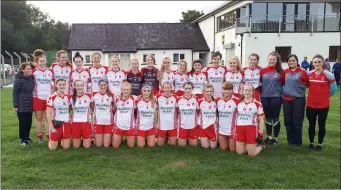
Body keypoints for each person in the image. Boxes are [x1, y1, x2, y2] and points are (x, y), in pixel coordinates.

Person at [306, 54, 337, 151]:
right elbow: (306, 86)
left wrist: (324, 96)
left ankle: (320, 143)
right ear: (312, 63)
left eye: (319, 62)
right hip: (311, 104)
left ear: (323, 63)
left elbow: (334, 89)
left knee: (321, 124)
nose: (317, 64)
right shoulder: (309, 74)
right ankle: (311, 142)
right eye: (315, 62)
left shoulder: (328, 74)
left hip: (323, 105)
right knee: (311, 124)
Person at [281, 54, 309, 147]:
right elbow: (283, 82)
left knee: (297, 121)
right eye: (289, 61)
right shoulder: (285, 71)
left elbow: (308, 84)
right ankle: (290, 140)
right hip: (286, 99)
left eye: (293, 60)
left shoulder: (303, 72)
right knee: (288, 121)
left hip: (298, 99)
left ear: (297, 61)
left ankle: (298, 141)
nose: (291, 62)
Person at [235, 84, 265, 157]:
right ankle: (250, 146)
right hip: (239, 128)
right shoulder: (238, 102)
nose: (247, 92)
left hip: (251, 128)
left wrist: (260, 133)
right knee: (240, 152)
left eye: (249, 90)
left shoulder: (257, 104)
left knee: (251, 154)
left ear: (252, 92)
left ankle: (261, 146)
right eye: (245, 90)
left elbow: (261, 120)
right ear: (243, 91)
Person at [260, 51, 283, 145]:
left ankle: (276, 138)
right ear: (267, 60)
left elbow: (284, 83)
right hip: (264, 97)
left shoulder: (281, 71)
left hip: (276, 97)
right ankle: (269, 136)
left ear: (277, 60)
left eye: (274, 59)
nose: (272, 61)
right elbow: (260, 83)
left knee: (275, 117)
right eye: (270, 59)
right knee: (268, 117)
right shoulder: (263, 71)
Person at [13, 62, 35, 146]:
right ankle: (23, 139)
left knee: (29, 122)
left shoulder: (31, 78)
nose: (29, 70)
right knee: (23, 122)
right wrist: (15, 105)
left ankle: (27, 137)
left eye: (30, 69)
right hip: (21, 104)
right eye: (27, 69)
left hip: (30, 103)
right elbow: (15, 93)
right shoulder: (19, 79)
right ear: (23, 70)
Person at [32, 55, 54, 142]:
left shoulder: (50, 71)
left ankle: (49, 135)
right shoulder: (34, 72)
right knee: (39, 117)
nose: (42, 63)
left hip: (48, 98)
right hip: (38, 97)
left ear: (46, 61)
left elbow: (55, 82)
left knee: (48, 117)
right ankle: (40, 136)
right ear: (37, 63)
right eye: (40, 61)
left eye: (43, 61)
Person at [46, 79, 71, 150]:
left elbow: (71, 107)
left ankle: (62, 139)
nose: (62, 86)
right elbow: (48, 113)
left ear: (65, 85)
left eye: (63, 84)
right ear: (56, 85)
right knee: (52, 149)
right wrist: (51, 127)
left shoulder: (68, 97)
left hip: (66, 123)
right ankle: (54, 139)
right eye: (60, 85)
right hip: (56, 123)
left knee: (66, 147)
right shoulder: (52, 97)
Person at [90, 79, 115, 147]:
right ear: (98, 86)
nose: (103, 86)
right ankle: (95, 138)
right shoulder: (94, 94)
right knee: (98, 145)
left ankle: (110, 138)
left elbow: (114, 106)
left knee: (106, 145)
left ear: (107, 85)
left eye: (104, 85)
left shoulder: (111, 95)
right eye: (101, 85)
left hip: (108, 122)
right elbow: (91, 103)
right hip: (98, 122)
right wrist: (95, 109)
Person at [112, 82, 136, 148]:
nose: (126, 91)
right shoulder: (117, 99)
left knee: (131, 146)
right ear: (121, 90)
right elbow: (113, 110)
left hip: (130, 126)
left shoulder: (134, 98)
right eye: (124, 90)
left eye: (127, 90)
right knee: (115, 146)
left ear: (130, 90)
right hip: (118, 125)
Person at [69, 80, 92, 148]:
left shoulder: (89, 96)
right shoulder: (70, 97)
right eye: (78, 85)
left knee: (86, 146)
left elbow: (95, 107)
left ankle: (89, 138)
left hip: (86, 122)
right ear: (75, 86)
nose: (79, 87)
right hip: (75, 122)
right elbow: (65, 108)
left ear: (84, 86)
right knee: (76, 146)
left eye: (81, 85)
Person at [217, 82, 239, 151]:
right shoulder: (218, 100)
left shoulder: (237, 100)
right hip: (221, 130)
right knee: (224, 148)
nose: (227, 91)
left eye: (229, 89)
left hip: (232, 130)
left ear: (232, 90)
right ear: (222, 90)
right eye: (225, 89)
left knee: (232, 150)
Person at [176, 82, 199, 146]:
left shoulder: (196, 99)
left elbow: (199, 111)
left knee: (194, 146)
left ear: (192, 89)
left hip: (193, 126)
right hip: (182, 126)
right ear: (183, 89)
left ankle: (189, 139)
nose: (188, 90)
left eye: (190, 88)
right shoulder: (178, 99)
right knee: (182, 146)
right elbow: (176, 111)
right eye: (186, 88)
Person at [156, 82, 177, 146]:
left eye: (169, 88)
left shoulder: (175, 97)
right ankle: (154, 138)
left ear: (171, 88)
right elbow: (148, 97)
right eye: (165, 88)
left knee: (173, 145)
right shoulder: (158, 97)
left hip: (172, 125)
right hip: (162, 125)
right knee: (160, 145)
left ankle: (168, 138)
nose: (167, 89)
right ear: (163, 89)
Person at [198, 84, 217, 149]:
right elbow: (197, 112)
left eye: (211, 91)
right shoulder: (199, 101)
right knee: (205, 147)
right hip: (203, 126)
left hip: (212, 127)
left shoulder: (216, 101)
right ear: (204, 92)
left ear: (213, 92)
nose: (209, 93)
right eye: (207, 91)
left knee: (213, 147)